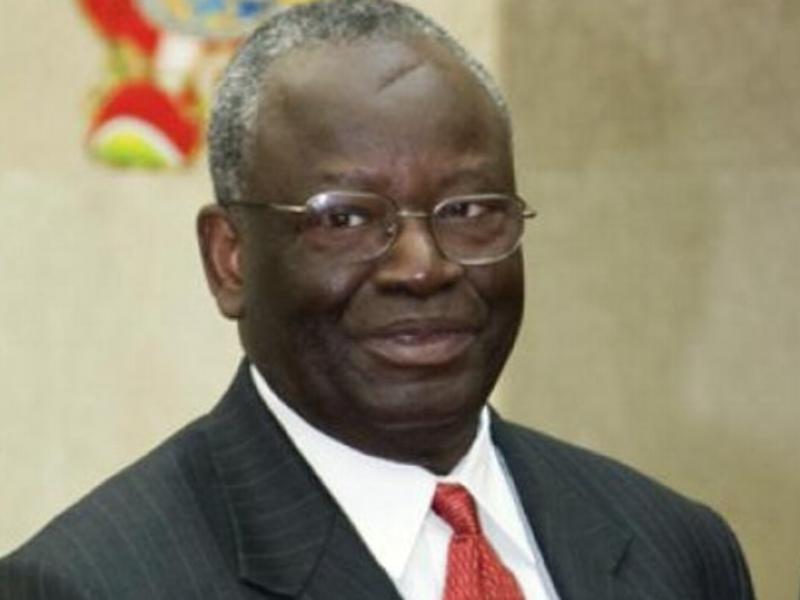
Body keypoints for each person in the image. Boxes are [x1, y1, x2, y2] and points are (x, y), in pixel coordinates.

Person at [0, 1, 755, 598]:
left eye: (468, 209)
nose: (422, 268)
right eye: (347, 219)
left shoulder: (677, 549)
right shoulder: (88, 584)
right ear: (230, 260)